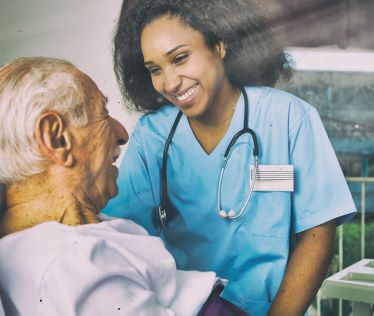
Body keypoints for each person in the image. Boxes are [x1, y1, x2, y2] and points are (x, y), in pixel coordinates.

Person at [103, 0, 357, 315]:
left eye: (180, 58)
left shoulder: (289, 116)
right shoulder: (152, 135)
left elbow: (317, 234)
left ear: (220, 44)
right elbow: (125, 234)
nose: (169, 82)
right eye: (155, 69)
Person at [0, 57, 247, 316]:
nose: (122, 134)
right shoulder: (70, 265)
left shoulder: (64, 239)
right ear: (56, 138)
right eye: (102, 114)